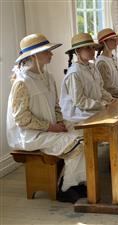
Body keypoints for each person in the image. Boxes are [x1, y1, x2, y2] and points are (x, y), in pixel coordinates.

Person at [7, 33, 86, 203]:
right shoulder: (22, 82)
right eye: (47, 51)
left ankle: (78, 181)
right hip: (30, 134)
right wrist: (51, 127)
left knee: (83, 133)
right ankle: (65, 187)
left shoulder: (48, 77)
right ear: (34, 56)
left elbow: (56, 106)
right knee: (76, 144)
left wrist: (59, 122)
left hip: (49, 127)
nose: (51, 54)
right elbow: (22, 119)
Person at [60, 33, 113, 123]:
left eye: (92, 47)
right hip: (80, 115)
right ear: (78, 51)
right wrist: (102, 105)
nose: (92, 51)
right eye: (88, 48)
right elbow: (80, 101)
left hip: (95, 109)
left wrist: (110, 99)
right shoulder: (74, 73)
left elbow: (100, 89)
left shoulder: (93, 67)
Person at [96, 28, 118, 98]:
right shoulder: (101, 63)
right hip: (114, 102)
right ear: (104, 43)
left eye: (115, 39)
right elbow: (106, 87)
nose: (115, 42)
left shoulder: (117, 60)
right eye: (111, 40)